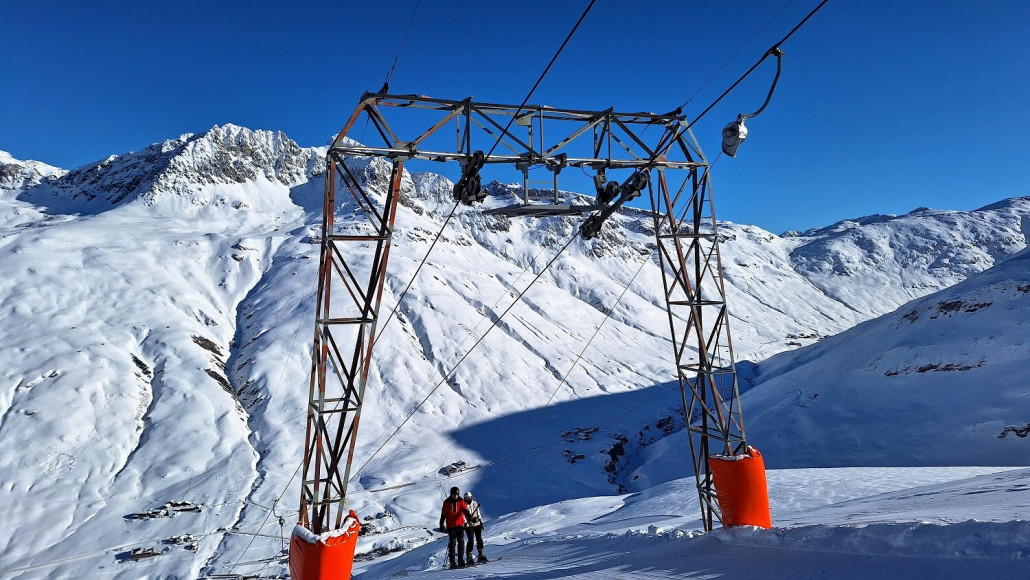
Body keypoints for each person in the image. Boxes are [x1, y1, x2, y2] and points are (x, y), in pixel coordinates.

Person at [439, 486, 472, 568]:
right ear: (451, 494)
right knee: (452, 544)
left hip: (460, 525)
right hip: (451, 526)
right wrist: (441, 524)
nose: (455, 496)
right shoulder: (446, 502)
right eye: (454, 495)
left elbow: (464, 510)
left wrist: (469, 517)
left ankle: (461, 560)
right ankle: (452, 562)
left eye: (456, 494)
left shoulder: (461, 501)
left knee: (461, 543)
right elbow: (443, 514)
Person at [463, 490, 488, 563]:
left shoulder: (475, 503)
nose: (467, 499)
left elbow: (478, 513)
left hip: (477, 524)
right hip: (468, 525)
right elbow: (462, 516)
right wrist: (465, 523)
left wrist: (481, 521)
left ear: (471, 497)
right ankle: (469, 556)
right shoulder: (463, 505)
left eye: (468, 497)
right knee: (471, 540)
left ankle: (481, 554)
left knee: (479, 539)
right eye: (466, 498)